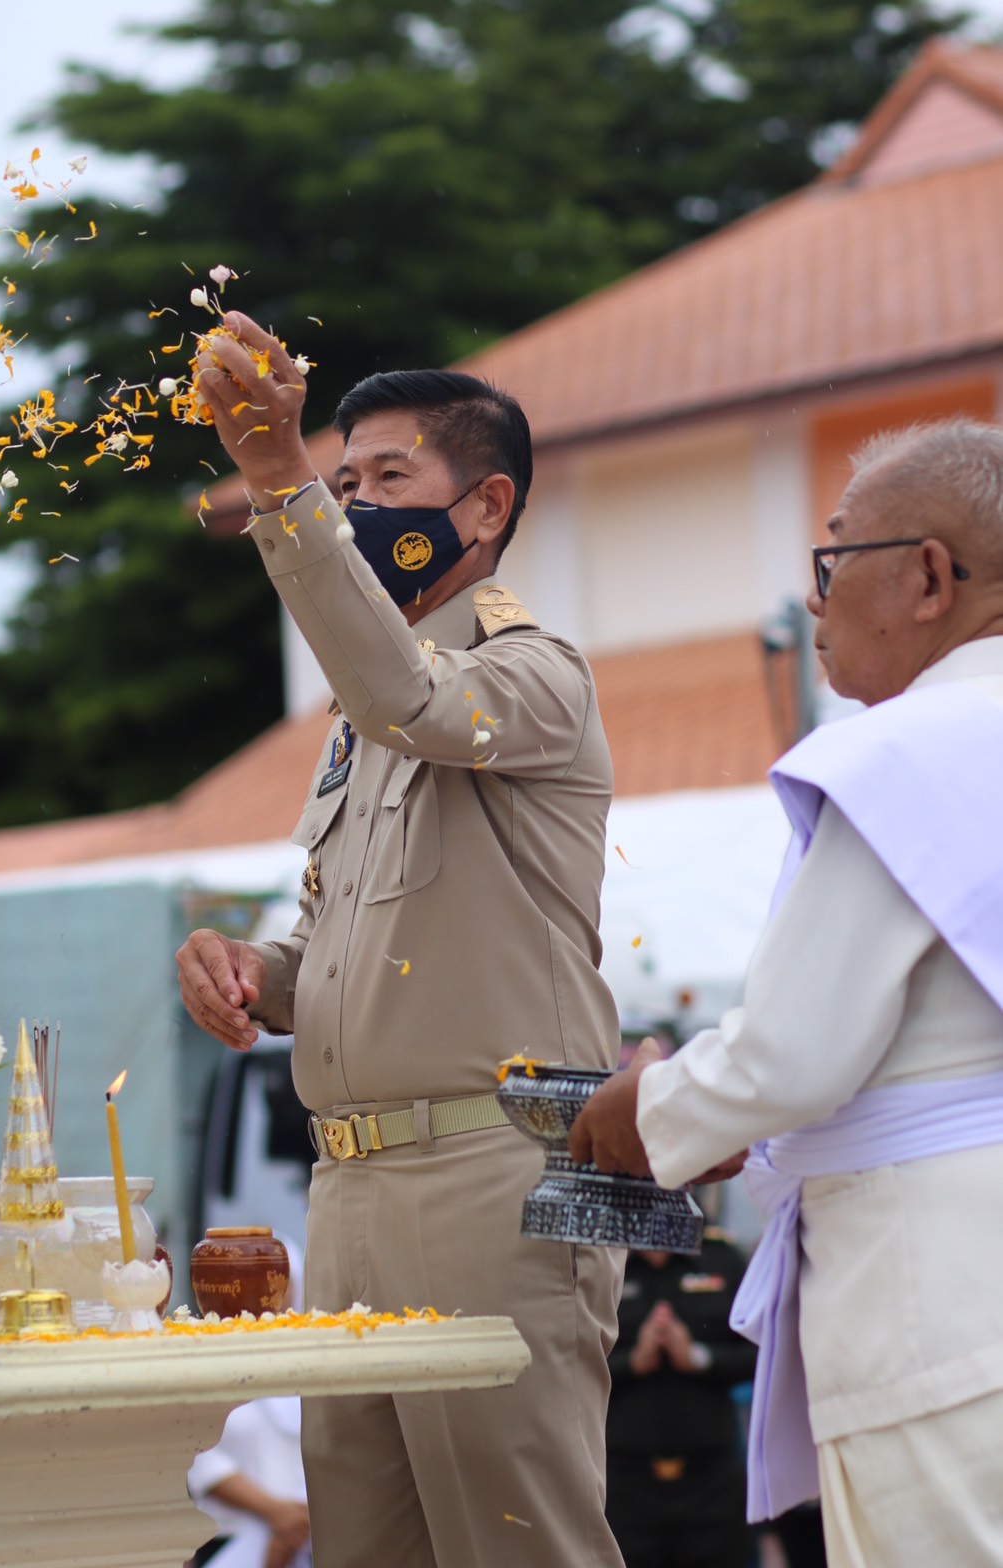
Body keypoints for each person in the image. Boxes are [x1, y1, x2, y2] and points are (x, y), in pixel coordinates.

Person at [176, 313, 626, 1568]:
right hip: (355, 1178)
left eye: (386, 481)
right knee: (365, 1546)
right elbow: (319, 949)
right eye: (341, 482)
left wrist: (274, 479)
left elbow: (408, 692)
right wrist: (247, 971)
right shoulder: (355, 724)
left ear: (484, 508)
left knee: (521, 1544)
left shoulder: (537, 671)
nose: (356, 503)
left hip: (511, 1159)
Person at [568, 418, 1003, 1567]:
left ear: (927, 576)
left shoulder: (903, 756)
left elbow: (792, 1057)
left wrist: (649, 1109)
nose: (812, 599)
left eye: (834, 556)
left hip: (950, 1289)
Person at [605, 1223, 756, 1568]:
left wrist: (699, 1358)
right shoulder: (604, 1261)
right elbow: (571, 1361)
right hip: (626, 1481)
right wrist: (634, 1361)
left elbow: (762, 1354)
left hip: (710, 1480)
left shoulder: (720, 1258)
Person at [187, 1239, 311, 1568]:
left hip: (312, 1544)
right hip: (231, 1543)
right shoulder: (204, 1362)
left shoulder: (315, 1362)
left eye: (273, 1285)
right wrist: (276, 1514)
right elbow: (198, 1457)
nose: (260, 1296)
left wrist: (299, 1524)